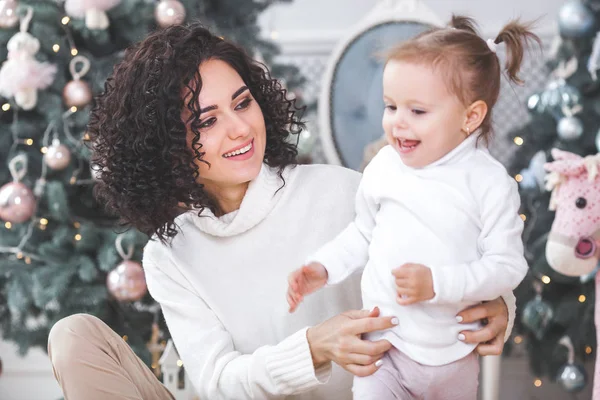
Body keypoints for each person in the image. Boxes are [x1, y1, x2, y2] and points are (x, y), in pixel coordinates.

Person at [47, 22, 515, 400]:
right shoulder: (169, 255)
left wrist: (501, 307)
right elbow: (218, 382)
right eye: (207, 121)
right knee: (74, 336)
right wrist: (312, 348)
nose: (239, 128)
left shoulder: (343, 191)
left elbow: (459, 250)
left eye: (242, 102)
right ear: (167, 147)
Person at [287, 16, 540, 400]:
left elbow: (507, 267)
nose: (397, 123)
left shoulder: (488, 183)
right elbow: (363, 233)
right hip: (385, 348)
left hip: (452, 355)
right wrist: (324, 266)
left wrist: (439, 284)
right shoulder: (385, 167)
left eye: (417, 112)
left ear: (470, 117)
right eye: (390, 106)